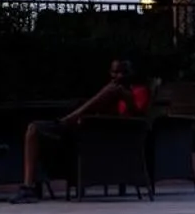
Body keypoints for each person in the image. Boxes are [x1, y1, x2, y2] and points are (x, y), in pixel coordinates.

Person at [13, 59, 151, 202]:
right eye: (115, 72)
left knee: (110, 91)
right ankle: (28, 187)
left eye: (123, 72)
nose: (119, 76)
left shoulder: (138, 91)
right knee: (33, 129)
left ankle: (68, 120)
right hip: (86, 135)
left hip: (110, 141)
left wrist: (127, 99)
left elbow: (139, 117)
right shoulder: (113, 93)